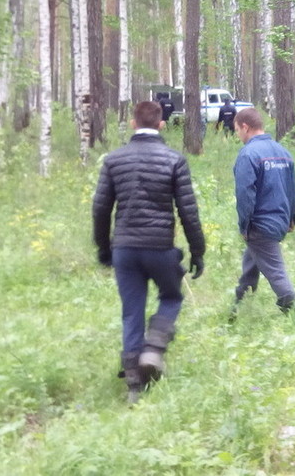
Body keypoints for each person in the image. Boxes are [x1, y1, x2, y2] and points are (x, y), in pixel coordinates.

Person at [92, 100, 206, 404]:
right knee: (171, 297)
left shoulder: (114, 161)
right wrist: (197, 251)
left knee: (132, 311)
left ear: (132, 124)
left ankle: (133, 384)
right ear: (161, 125)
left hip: (125, 249)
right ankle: (154, 350)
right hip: (159, 247)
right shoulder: (174, 160)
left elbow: (101, 208)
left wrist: (104, 247)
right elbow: (188, 212)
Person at [231, 108, 295, 319]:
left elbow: (245, 194)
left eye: (237, 130)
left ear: (245, 127)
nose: (237, 135)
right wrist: (292, 218)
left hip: (260, 224)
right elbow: (293, 190)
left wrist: (244, 225)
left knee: (275, 271)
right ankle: (238, 308)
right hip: (279, 220)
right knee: (251, 263)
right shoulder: (282, 152)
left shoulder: (248, 154)